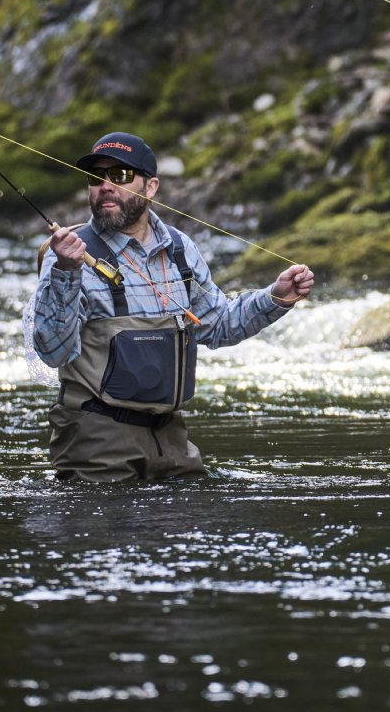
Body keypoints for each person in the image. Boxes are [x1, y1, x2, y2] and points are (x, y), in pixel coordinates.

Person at [31, 131, 314, 481]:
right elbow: (52, 352)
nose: (105, 185)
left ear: (151, 188)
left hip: (172, 438)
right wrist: (67, 272)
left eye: (119, 176)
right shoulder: (68, 257)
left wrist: (276, 297)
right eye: (96, 177)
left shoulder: (180, 249)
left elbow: (219, 325)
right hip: (96, 441)